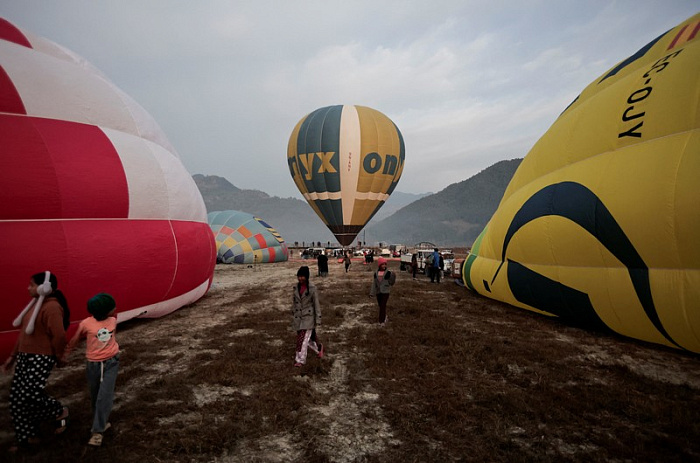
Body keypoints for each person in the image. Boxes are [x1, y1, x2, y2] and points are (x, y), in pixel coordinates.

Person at [2, 271, 70, 452]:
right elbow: (24, 333)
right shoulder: (34, 305)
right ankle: (27, 437)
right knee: (17, 399)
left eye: (31, 284)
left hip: (41, 357)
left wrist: (58, 356)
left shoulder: (52, 307)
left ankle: (59, 411)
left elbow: (59, 336)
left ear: (44, 287)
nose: (28, 288)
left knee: (30, 394)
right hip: (25, 356)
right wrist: (13, 356)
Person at [63, 293, 120, 447]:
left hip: (111, 363)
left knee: (104, 396)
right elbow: (75, 339)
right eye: (112, 307)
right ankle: (102, 421)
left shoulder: (113, 320)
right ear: (103, 311)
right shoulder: (86, 324)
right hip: (93, 364)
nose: (115, 308)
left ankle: (97, 431)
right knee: (95, 396)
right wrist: (66, 354)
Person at [291, 266, 324, 367]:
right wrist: (292, 311)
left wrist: (318, 319)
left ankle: (300, 360)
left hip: (308, 318)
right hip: (298, 317)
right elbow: (294, 302)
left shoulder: (312, 289)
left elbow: (316, 304)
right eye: (299, 276)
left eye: (302, 276)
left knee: (302, 340)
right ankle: (319, 348)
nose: (300, 278)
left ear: (307, 277)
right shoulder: (296, 288)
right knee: (309, 339)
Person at [370, 257, 397, 325]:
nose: (384, 266)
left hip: (385, 292)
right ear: (379, 265)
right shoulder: (376, 273)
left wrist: (393, 276)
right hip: (378, 292)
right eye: (383, 264)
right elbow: (374, 284)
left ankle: (381, 321)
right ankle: (384, 316)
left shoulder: (388, 273)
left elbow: (391, 283)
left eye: (385, 264)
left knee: (383, 306)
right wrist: (372, 293)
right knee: (380, 306)